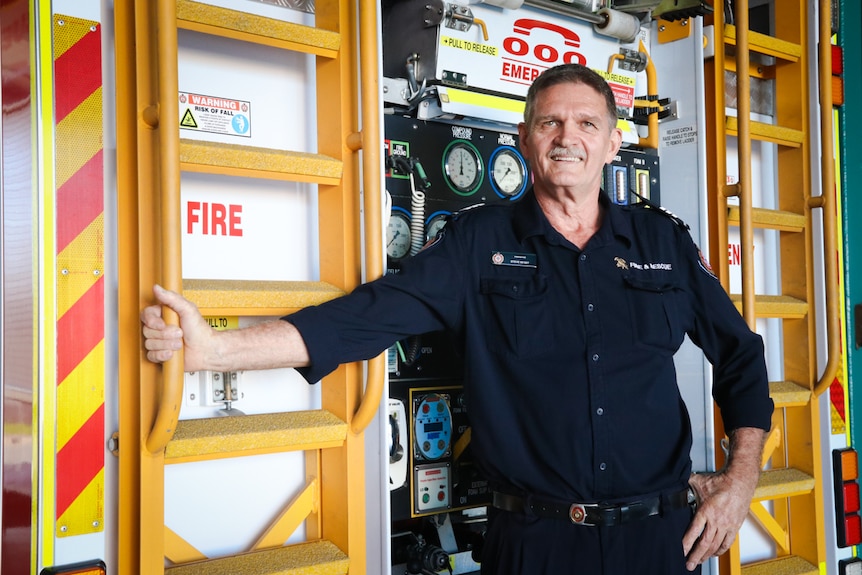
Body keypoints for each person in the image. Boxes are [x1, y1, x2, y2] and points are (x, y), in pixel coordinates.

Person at [142, 64, 773, 574]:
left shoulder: (662, 244)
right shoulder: (479, 244)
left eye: (586, 122)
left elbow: (741, 354)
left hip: (659, 544)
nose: (566, 137)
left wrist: (740, 480)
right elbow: (365, 317)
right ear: (525, 141)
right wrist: (213, 352)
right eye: (549, 122)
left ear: (613, 143)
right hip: (533, 547)